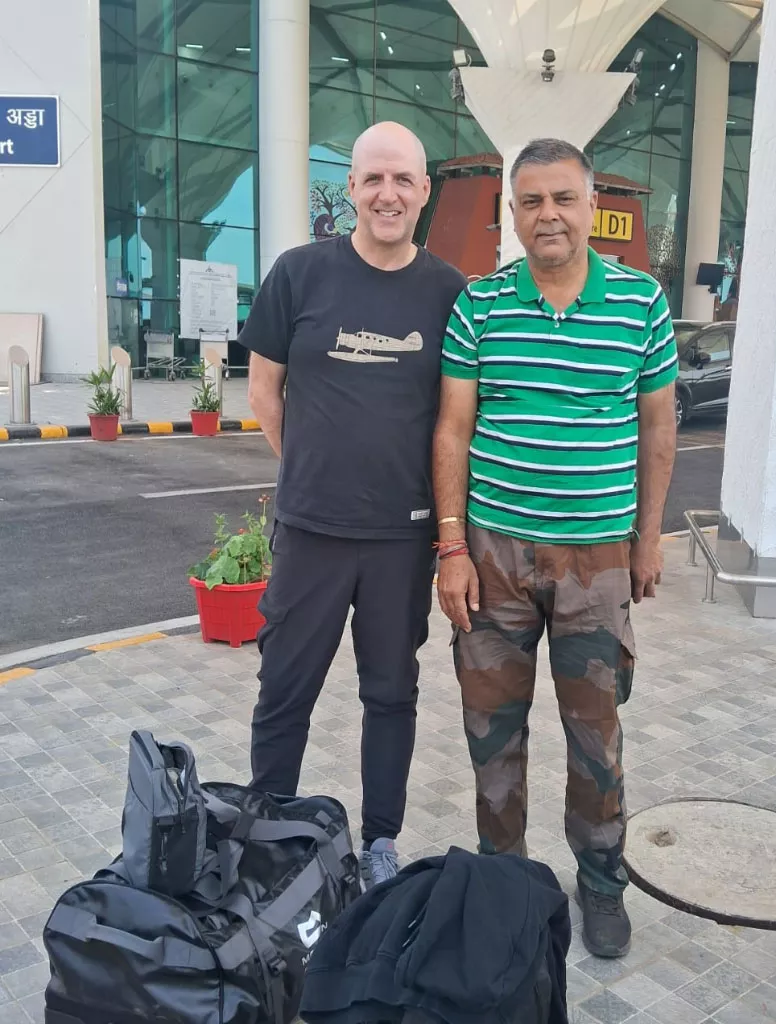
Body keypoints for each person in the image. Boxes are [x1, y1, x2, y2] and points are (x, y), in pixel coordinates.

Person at [432, 138, 677, 957]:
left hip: (597, 561)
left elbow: (658, 428)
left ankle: (600, 883)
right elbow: (453, 428)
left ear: (591, 205)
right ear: (512, 213)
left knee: (595, 734)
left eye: (563, 198)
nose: (548, 215)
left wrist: (647, 539)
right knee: (491, 730)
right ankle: (503, 884)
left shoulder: (640, 304)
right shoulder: (481, 305)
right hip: (493, 558)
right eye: (531, 201)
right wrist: (451, 548)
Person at [239, 121, 467, 888]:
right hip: (311, 531)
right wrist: (311, 468)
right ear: (352, 189)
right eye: (373, 179)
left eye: (402, 179)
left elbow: (455, 418)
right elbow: (264, 392)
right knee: (285, 690)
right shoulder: (298, 274)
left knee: (391, 694)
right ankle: (266, 834)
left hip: (402, 540)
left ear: (424, 191)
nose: (387, 194)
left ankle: (380, 842)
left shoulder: (450, 293)